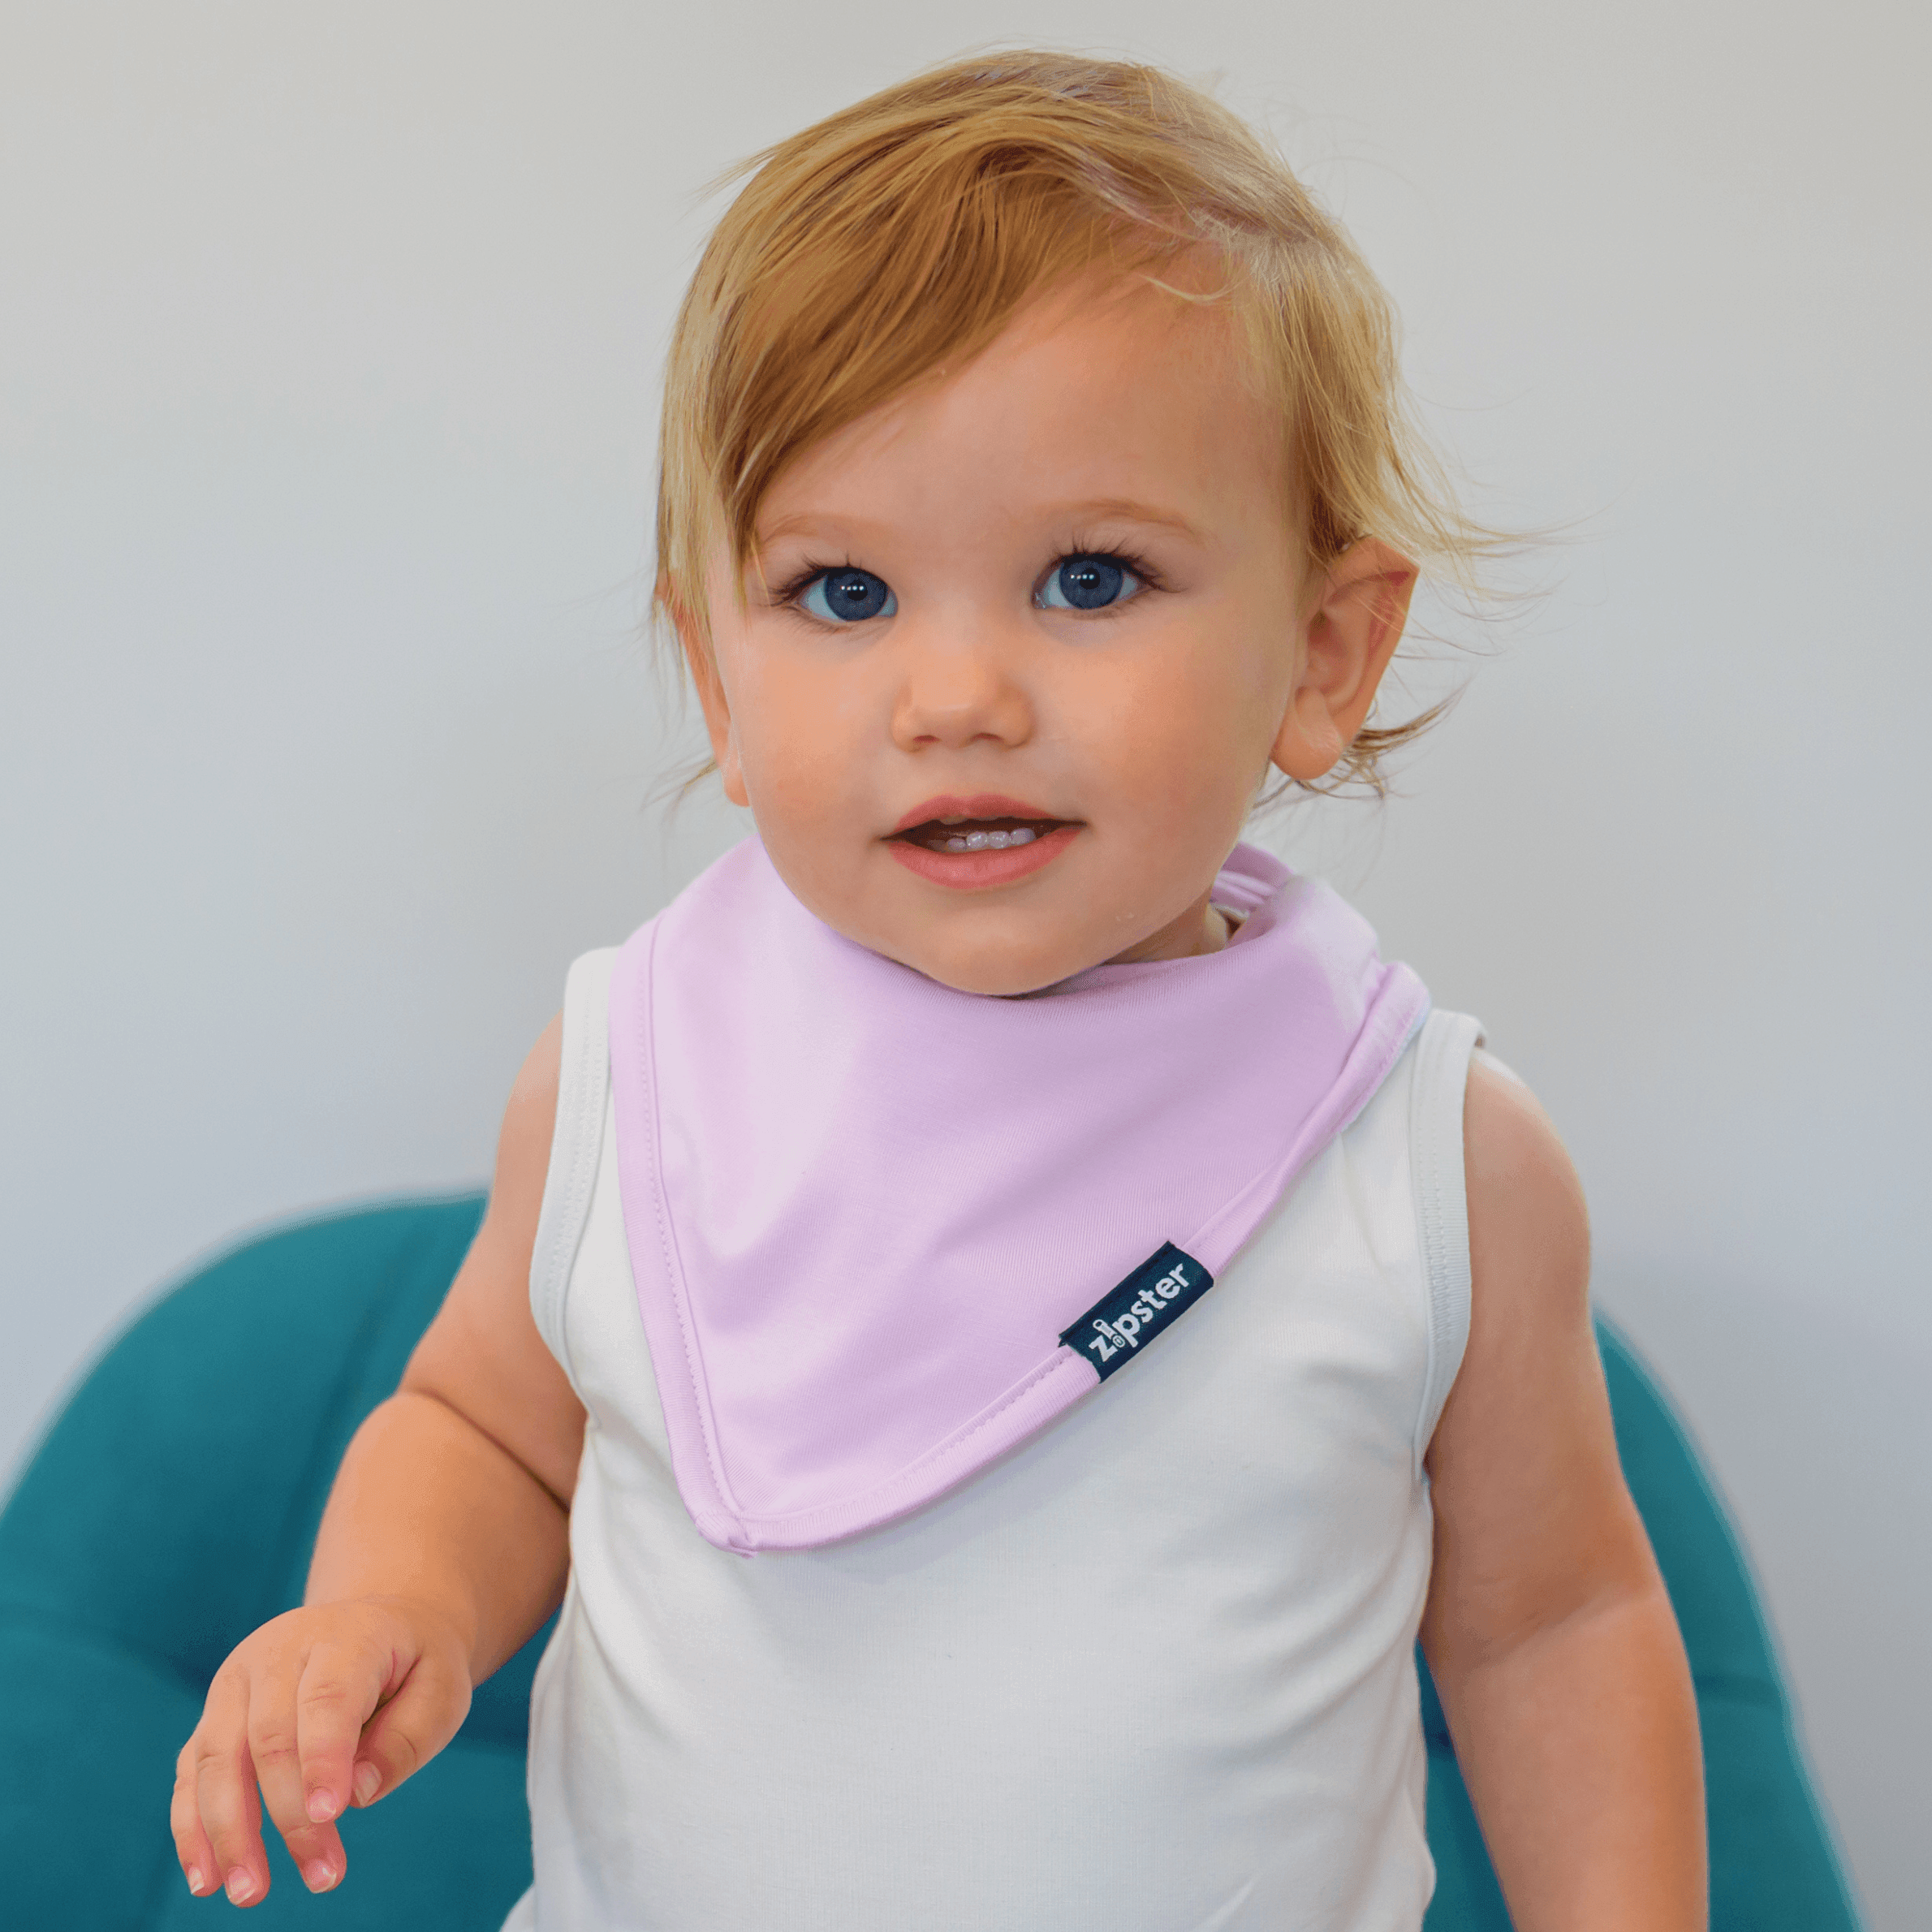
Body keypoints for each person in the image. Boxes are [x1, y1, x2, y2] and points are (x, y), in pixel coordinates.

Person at [170, 50, 1705, 1930]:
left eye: (1088, 576)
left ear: (1321, 652)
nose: (956, 695)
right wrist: (383, 1601)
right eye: (842, 593)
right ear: (715, 679)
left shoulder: (1430, 1158)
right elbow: (485, 1427)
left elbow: (1552, 1619)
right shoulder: (627, 1075)